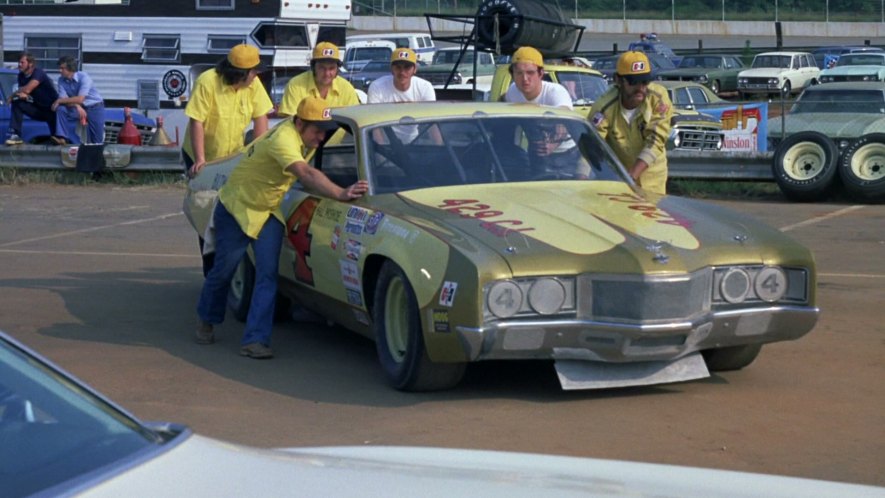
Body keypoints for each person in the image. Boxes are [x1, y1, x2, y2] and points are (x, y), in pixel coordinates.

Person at [194, 96, 368, 359]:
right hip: (237, 207)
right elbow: (306, 174)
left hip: (267, 210)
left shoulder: (306, 135)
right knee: (223, 270)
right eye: (317, 132)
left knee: (268, 275)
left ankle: (255, 340)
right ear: (299, 123)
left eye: (324, 132)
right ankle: (207, 319)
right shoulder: (283, 139)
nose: (321, 138)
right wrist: (341, 193)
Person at [588, 50, 673, 195]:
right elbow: (591, 146)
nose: (640, 88)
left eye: (645, 81)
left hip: (653, 180)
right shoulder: (603, 107)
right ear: (618, 80)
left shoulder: (658, 97)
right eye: (633, 82)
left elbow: (656, 140)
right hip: (618, 180)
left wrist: (631, 176)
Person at [182, 44, 272, 177]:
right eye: (254, 71)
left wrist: (257, 155)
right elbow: (197, 121)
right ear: (241, 74)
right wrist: (200, 159)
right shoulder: (206, 82)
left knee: (227, 196)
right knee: (201, 196)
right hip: (201, 155)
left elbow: (261, 118)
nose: (257, 74)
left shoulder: (254, 84)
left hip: (231, 157)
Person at [504, 46, 589, 179]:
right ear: (512, 74)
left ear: (541, 73)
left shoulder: (555, 92)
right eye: (519, 73)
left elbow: (564, 120)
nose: (525, 79)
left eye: (530, 73)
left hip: (568, 155)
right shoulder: (512, 92)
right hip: (536, 154)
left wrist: (553, 144)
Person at [367, 48, 438, 144]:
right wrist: (382, 152)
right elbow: (374, 125)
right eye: (398, 67)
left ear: (415, 69)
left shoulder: (425, 87)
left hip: (415, 142)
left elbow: (432, 123)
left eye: (407, 67)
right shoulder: (377, 87)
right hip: (385, 145)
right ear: (391, 69)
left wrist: (441, 148)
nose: (402, 72)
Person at [278, 42, 360, 118]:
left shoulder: (347, 88)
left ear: (337, 69)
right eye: (322, 68)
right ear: (313, 67)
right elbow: (289, 121)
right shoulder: (295, 85)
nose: (327, 73)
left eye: (331, 68)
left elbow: (356, 119)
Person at [5, 52, 59, 146]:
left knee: (57, 139)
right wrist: (20, 95)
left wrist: (11, 96)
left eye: (22, 62)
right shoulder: (21, 76)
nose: (19, 65)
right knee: (17, 102)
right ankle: (15, 135)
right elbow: (23, 93)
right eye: (19, 62)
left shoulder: (38, 73)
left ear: (30, 64)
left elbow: (27, 89)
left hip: (52, 110)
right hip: (37, 109)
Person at [52, 56, 104, 145]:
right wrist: (77, 106)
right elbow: (64, 99)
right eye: (59, 68)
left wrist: (58, 101)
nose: (60, 71)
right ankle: (62, 137)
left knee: (96, 139)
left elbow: (80, 99)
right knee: (61, 109)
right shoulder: (61, 80)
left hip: (94, 106)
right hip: (78, 107)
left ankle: (97, 152)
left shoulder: (84, 77)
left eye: (62, 68)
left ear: (70, 68)